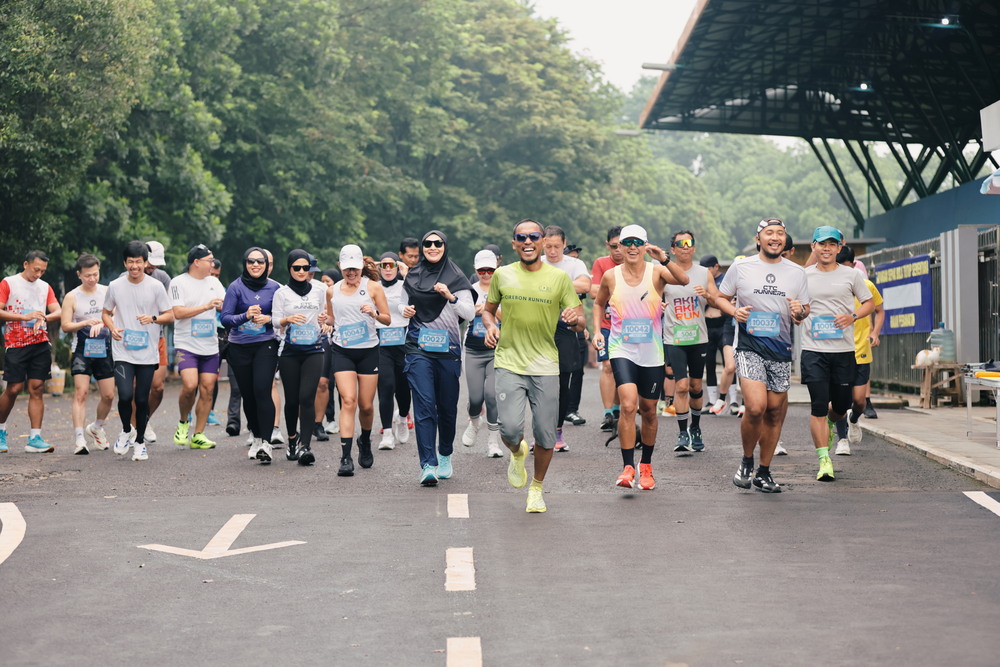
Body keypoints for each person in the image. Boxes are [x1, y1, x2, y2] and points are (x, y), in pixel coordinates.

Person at [483, 219, 583, 513]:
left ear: (542, 242)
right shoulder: (502, 275)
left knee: (545, 432)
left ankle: (536, 488)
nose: (527, 241)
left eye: (533, 237)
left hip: (545, 364)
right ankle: (517, 452)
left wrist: (573, 319)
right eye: (521, 237)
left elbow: (580, 320)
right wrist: (489, 326)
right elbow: (488, 312)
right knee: (510, 429)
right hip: (509, 361)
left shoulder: (559, 278)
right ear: (514, 243)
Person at [592, 225, 689, 490]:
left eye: (638, 242)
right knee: (627, 405)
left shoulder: (656, 271)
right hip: (622, 348)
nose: (632, 247)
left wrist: (663, 257)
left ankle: (645, 466)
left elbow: (683, 280)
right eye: (627, 243)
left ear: (645, 246)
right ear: (620, 247)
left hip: (651, 353)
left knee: (648, 411)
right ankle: (626, 468)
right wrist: (598, 331)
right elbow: (598, 302)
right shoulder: (611, 276)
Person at [716, 218, 810, 493]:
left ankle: (764, 472)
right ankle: (746, 461)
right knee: (756, 406)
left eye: (780, 233)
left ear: (785, 240)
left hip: (780, 350)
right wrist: (734, 312)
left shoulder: (796, 272)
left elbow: (804, 311)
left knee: (773, 414)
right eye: (769, 233)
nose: (775, 237)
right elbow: (720, 297)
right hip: (749, 346)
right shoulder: (742, 267)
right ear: (759, 239)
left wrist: (799, 312)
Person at [401, 230, 475, 486]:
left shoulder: (456, 277)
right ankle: (428, 465)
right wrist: (406, 310)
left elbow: (469, 313)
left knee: (445, 408)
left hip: (448, 351)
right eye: (428, 244)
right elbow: (400, 307)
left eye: (437, 243)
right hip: (418, 349)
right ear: (422, 247)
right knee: (423, 405)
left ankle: (444, 454)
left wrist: (450, 296)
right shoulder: (412, 276)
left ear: (445, 246)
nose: (432, 247)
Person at [800, 229, 874, 480]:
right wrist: (798, 312)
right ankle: (824, 460)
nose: (827, 249)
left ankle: (832, 424)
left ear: (839, 248)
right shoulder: (804, 276)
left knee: (842, 405)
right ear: (813, 246)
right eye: (822, 244)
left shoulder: (852, 275)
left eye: (832, 244)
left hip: (843, 351)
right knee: (819, 406)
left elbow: (869, 303)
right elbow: (798, 307)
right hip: (813, 351)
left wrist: (852, 316)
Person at [102, 241, 175, 461]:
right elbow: (106, 313)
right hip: (123, 350)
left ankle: (140, 442)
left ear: (146, 262)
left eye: (139, 262)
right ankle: (126, 430)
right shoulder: (115, 286)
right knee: (125, 395)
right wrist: (112, 327)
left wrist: (153, 318)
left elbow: (169, 315)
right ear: (125, 262)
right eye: (130, 262)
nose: (135, 266)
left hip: (147, 351)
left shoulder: (155, 286)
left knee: (142, 399)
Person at [327, 245, 391, 476]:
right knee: (348, 400)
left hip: (368, 351)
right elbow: (332, 320)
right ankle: (345, 457)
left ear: (361, 267)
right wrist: (326, 321)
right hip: (342, 350)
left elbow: (387, 319)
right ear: (340, 268)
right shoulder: (332, 291)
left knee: (365, 405)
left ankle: (365, 440)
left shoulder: (373, 287)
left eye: (354, 269)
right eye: (346, 269)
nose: (351, 273)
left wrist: (374, 313)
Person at [221, 247, 281, 464]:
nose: (255, 265)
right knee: (248, 394)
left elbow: (283, 316)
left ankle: (266, 442)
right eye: (251, 261)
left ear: (266, 265)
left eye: (260, 262)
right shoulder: (236, 287)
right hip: (239, 348)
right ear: (245, 264)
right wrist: (245, 316)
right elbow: (225, 319)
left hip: (266, 345)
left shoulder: (275, 288)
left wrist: (269, 318)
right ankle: (256, 436)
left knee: (262, 390)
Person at [662, 231, 720, 453]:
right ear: (673, 249)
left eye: (689, 243)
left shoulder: (704, 272)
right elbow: (654, 298)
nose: (685, 247)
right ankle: (682, 432)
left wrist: (706, 293)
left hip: (698, 337)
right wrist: (658, 306)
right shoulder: (664, 273)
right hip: (674, 337)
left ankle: (695, 428)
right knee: (682, 385)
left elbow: (717, 299)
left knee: (696, 386)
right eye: (680, 244)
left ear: (694, 248)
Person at [0, 250, 62, 453]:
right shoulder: (8, 283)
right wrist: (24, 318)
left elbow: (58, 311)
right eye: (36, 269)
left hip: (40, 342)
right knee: (14, 388)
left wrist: (42, 317)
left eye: (43, 271)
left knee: (37, 388)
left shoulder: (45, 286)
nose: (39, 274)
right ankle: (1, 430)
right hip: (16, 343)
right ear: (25, 264)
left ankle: (35, 438)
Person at [272, 249, 329, 466]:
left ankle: (306, 446)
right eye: (297, 267)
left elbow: (326, 316)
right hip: (289, 352)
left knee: (307, 397)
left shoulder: (318, 290)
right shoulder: (282, 293)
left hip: (314, 349)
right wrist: (288, 319)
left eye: (306, 268)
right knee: (293, 399)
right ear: (289, 268)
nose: (302, 271)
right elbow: (275, 321)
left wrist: (325, 323)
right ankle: (293, 440)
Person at [169, 245, 226, 450]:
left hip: (209, 345)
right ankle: (184, 422)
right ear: (196, 262)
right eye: (209, 260)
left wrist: (222, 306)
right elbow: (178, 312)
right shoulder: (178, 282)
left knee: (208, 389)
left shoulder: (214, 282)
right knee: (190, 385)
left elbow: (224, 304)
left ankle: (199, 435)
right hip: (186, 344)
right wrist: (206, 306)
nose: (212, 264)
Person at [541, 225, 591, 451]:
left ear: (564, 244)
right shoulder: (536, 261)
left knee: (562, 384)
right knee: (539, 384)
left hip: (566, 325)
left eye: (557, 247)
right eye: (548, 246)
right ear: (542, 243)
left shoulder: (574, 264)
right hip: (539, 326)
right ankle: (541, 433)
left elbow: (585, 285)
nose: (552, 251)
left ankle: (558, 432)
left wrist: (551, 285)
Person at [61, 253, 115, 455]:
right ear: (79, 275)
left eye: (95, 274)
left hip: (105, 349)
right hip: (82, 350)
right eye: (87, 275)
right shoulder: (72, 296)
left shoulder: (107, 291)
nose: (92, 279)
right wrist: (85, 322)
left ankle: (97, 427)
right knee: (81, 393)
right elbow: (65, 325)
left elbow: (114, 314)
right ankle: (79, 439)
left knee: (109, 395)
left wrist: (102, 322)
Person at [832, 245, 884, 455]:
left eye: (847, 268)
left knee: (859, 401)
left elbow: (879, 310)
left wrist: (875, 333)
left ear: (854, 265)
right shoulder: (832, 286)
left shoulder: (867, 286)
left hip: (861, 348)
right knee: (840, 400)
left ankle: (855, 420)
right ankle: (842, 440)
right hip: (837, 350)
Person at [461, 249, 503, 458]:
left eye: (490, 270)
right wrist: (473, 310)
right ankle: (474, 423)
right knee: (476, 397)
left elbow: (509, 315)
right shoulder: (469, 289)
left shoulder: (503, 287)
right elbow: (462, 314)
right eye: (482, 270)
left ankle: (493, 442)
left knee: (492, 395)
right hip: (473, 349)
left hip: (497, 349)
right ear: (476, 270)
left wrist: (488, 309)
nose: (486, 274)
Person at [590, 226, 625, 431]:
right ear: (607, 246)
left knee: (623, 369)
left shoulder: (637, 263)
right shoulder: (601, 263)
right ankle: (607, 413)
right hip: (606, 324)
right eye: (614, 246)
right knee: (608, 366)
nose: (618, 251)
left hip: (630, 326)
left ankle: (618, 408)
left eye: (622, 245)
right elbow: (594, 291)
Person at [375, 253, 411, 450]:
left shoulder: (406, 285)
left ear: (397, 268)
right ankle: (387, 433)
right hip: (381, 341)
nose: (388, 269)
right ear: (379, 268)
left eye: (392, 265)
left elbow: (418, 298)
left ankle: (403, 417)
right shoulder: (373, 286)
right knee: (386, 385)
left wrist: (406, 276)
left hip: (403, 340)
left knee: (404, 388)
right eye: (384, 265)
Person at [140, 240, 171, 443]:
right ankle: (136, 426)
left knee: (157, 387)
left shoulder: (162, 278)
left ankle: (144, 419)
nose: (153, 267)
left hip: (157, 336)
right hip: (133, 339)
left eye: (156, 264)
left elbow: (169, 310)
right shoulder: (124, 278)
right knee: (136, 388)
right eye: (150, 262)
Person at [315, 268, 342, 439]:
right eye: (323, 281)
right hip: (322, 343)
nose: (325, 285)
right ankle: (324, 419)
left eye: (328, 282)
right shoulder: (319, 296)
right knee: (324, 383)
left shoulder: (341, 296)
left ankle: (337, 419)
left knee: (339, 384)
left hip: (340, 345)